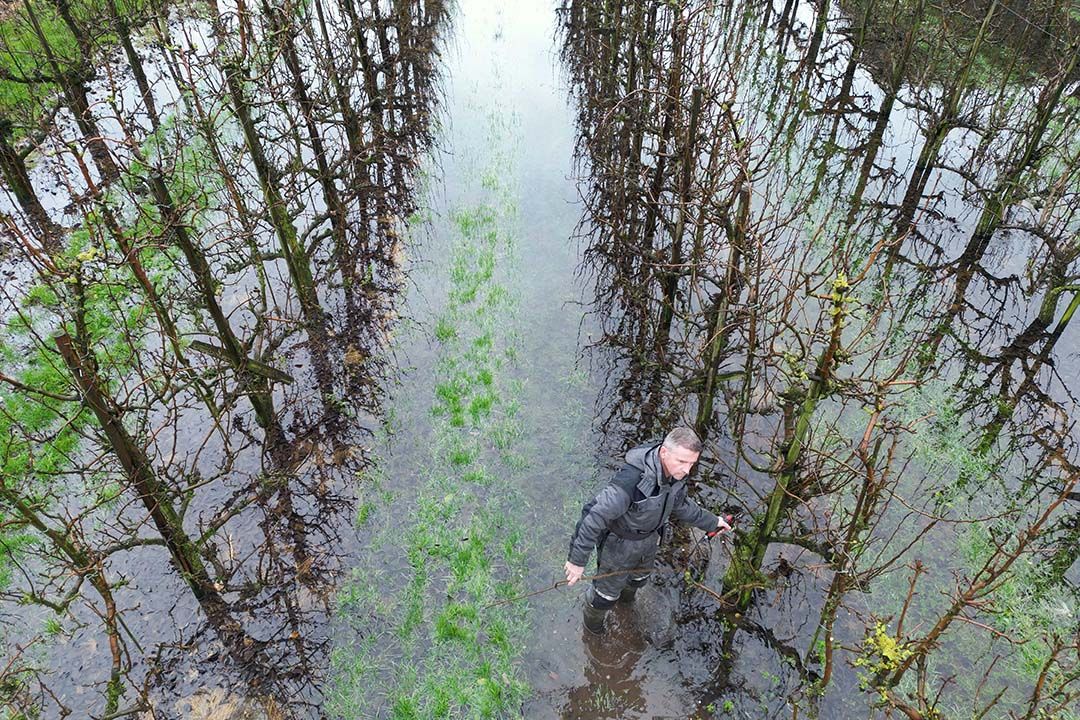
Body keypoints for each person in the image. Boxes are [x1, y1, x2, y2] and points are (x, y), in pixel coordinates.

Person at [564, 427, 731, 634]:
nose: (687, 470)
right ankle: (592, 628)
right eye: (682, 461)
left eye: (692, 463)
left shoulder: (676, 476)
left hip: (650, 540)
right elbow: (594, 515)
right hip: (619, 546)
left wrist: (712, 522)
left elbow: (681, 505)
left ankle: (626, 604)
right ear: (664, 452)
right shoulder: (631, 480)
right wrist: (577, 561)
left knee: (637, 580)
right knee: (605, 595)